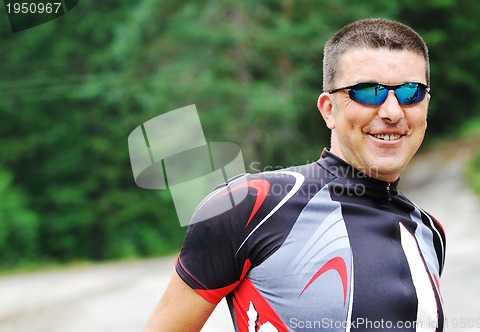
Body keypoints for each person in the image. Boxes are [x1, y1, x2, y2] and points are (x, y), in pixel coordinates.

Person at [144, 18, 446, 332]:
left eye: (411, 92)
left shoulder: (429, 233)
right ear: (329, 109)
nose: (392, 112)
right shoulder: (252, 206)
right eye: (368, 92)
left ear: (425, 104)